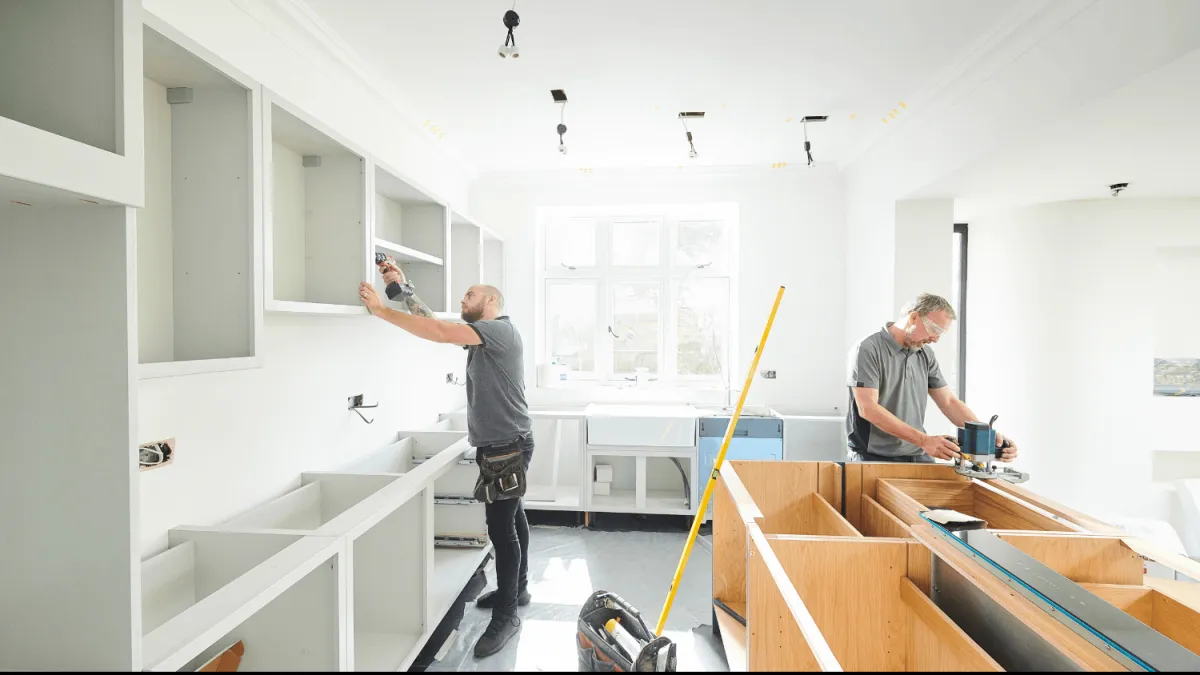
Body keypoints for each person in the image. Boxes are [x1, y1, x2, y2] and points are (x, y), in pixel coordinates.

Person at [359, 261, 533, 658]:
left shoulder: (499, 330)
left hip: (506, 445)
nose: (462, 300)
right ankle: (518, 589)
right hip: (507, 441)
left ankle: (506, 615)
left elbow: (437, 332)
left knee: (501, 528)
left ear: (490, 301)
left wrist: (382, 311)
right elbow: (436, 321)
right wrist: (401, 288)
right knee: (514, 516)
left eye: (469, 295)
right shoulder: (482, 335)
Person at [846, 292, 1019, 463]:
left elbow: (949, 402)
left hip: (917, 453)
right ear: (913, 317)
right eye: (934, 330)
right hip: (872, 457)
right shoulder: (868, 349)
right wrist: (924, 441)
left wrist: (987, 437)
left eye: (940, 333)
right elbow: (868, 408)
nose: (935, 339)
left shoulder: (925, 353)